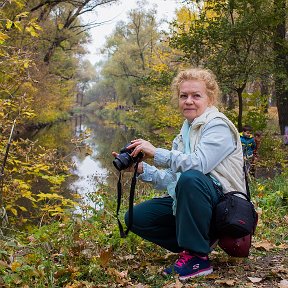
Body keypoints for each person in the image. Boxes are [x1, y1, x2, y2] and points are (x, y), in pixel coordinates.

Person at [112, 67, 246, 280]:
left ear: (210, 98)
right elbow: (174, 180)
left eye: (196, 95)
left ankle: (198, 259)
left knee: (191, 178)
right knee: (135, 218)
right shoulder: (185, 132)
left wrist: (156, 152)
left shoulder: (218, 125)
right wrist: (141, 170)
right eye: (183, 96)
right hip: (198, 200)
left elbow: (198, 166)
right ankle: (199, 241)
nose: (189, 101)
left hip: (226, 205)